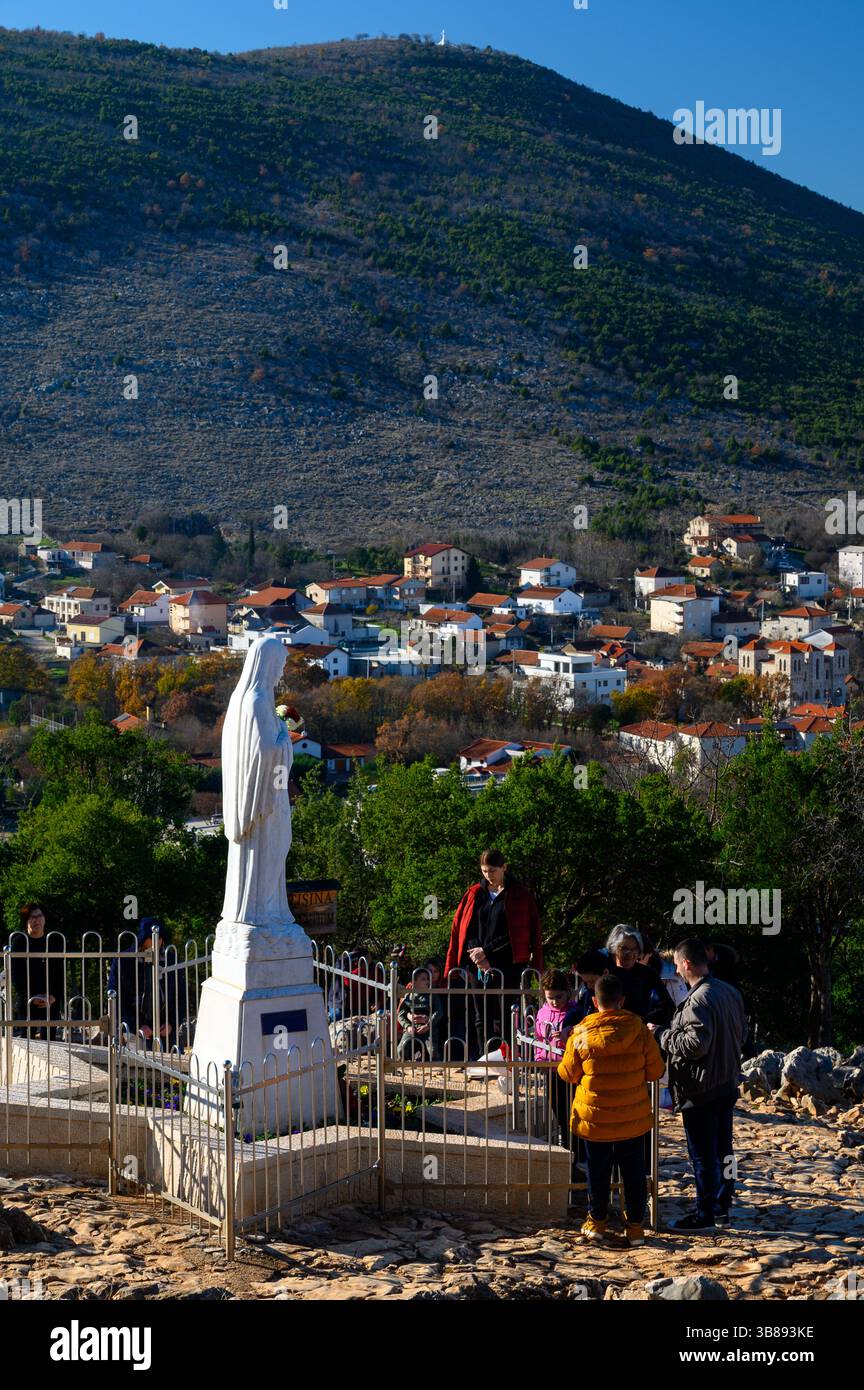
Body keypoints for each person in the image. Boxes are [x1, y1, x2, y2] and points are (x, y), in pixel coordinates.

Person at [558, 972, 665, 1245]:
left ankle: (597, 1223)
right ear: (622, 1000)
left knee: (598, 1171)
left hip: (595, 1119)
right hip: (633, 1118)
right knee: (634, 1173)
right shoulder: (639, 1030)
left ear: (595, 1001)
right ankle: (636, 1228)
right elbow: (656, 1070)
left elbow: (568, 1073)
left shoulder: (581, 1033)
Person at [650, 938, 747, 1232]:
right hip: (727, 1082)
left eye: (677, 965)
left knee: (703, 1155)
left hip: (702, 1088)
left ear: (687, 963)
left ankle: (705, 1213)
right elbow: (741, 1033)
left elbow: (695, 1044)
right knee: (724, 1149)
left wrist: (661, 1034)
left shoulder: (698, 999)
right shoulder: (729, 990)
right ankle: (723, 1202)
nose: (676, 971)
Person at [444, 849, 542, 1059]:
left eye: (493, 870)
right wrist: (477, 956)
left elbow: (520, 932)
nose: (489, 875)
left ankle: (509, 1058)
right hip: (477, 964)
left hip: (509, 963)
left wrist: (487, 953)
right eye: (485, 871)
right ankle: (484, 1058)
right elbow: (462, 928)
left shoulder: (519, 894)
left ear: (504, 868)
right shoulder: (474, 893)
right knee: (481, 1014)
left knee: (509, 1012)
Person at [108, 918, 186, 1049]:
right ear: (143, 939)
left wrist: (172, 1023)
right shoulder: (123, 961)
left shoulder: (171, 960)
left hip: (166, 1030)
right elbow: (116, 998)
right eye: (152, 937)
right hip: (134, 1029)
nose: (157, 941)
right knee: (137, 1065)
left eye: (160, 938)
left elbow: (181, 996)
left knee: (173, 1065)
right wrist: (136, 1025)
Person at [8, 904, 64, 1039]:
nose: (36, 920)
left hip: (51, 999)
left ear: (44, 919)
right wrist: (33, 997)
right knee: (27, 1041)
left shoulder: (54, 940)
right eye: (32, 917)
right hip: (27, 1000)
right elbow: (17, 976)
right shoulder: (19, 941)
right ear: (26, 920)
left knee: (50, 1043)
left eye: (39, 916)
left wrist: (53, 996)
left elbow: (60, 973)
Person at [605, 925, 673, 1028]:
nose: (630, 954)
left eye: (634, 949)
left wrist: (643, 1020)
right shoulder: (606, 974)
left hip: (642, 1033)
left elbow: (667, 1006)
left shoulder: (648, 974)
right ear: (614, 949)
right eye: (624, 948)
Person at [397, 968, 444, 1061]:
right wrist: (408, 1027)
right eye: (423, 979)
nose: (427, 981)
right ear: (414, 982)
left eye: (427, 979)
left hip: (428, 1028)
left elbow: (439, 1012)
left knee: (433, 1052)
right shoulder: (408, 996)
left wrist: (428, 1025)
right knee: (401, 1050)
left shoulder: (432, 995)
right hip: (412, 1028)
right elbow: (401, 1014)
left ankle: (433, 1068)